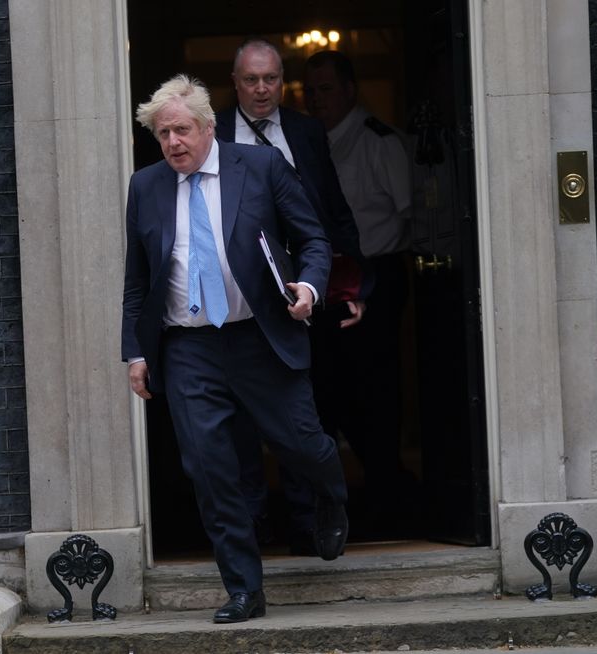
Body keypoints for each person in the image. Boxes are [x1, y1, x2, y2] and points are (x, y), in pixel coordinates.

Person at [121, 74, 349, 624]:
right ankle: (245, 588)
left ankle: (330, 491)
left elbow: (313, 238)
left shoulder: (262, 167)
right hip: (189, 348)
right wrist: (135, 351)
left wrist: (310, 288)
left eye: (181, 131)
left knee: (301, 442)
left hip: (259, 335)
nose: (172, 143)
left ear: (207, 128)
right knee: (209, 466)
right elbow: (138, 278)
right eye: (163, 134)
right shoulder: (146, 186)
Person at [215, 38, 372, 555]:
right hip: (234, 301)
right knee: (238, 420)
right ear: (235, 83)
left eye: (272, 79)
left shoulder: (305, 131)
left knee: (305, 414)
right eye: (251, 80)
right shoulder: (210, 132)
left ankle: (310, 521)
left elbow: (332, 211)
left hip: (301, 297)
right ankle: (255, 524)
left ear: (284, 82)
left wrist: (349, 285)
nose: (262, 90)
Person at [303, 50, 416, 534]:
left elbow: (413, 214)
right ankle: (373, 491)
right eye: (310, 91)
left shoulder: (379, 142)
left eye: (326, 89)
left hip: (379, 274)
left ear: (350, 89)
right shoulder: (312, 143)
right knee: (334, 390)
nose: (317, 100)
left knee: (374, 390)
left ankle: (392, 495)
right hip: (331, 281)